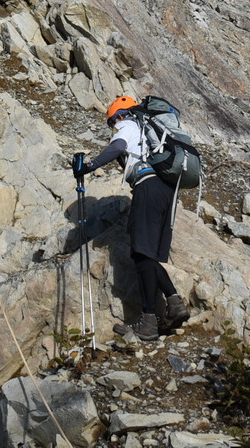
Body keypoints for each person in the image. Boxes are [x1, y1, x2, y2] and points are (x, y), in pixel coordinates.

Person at [73, 94, 190, 341]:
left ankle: (148, 321)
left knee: (141, 252)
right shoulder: (149, 129)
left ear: (119, 115)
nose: (114, 127)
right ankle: (175, 303)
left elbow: (117, 146)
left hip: (147, 185)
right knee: (146, 254)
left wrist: (89, 166)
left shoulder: (130, 123)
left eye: (112, 122)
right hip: (166, 190)